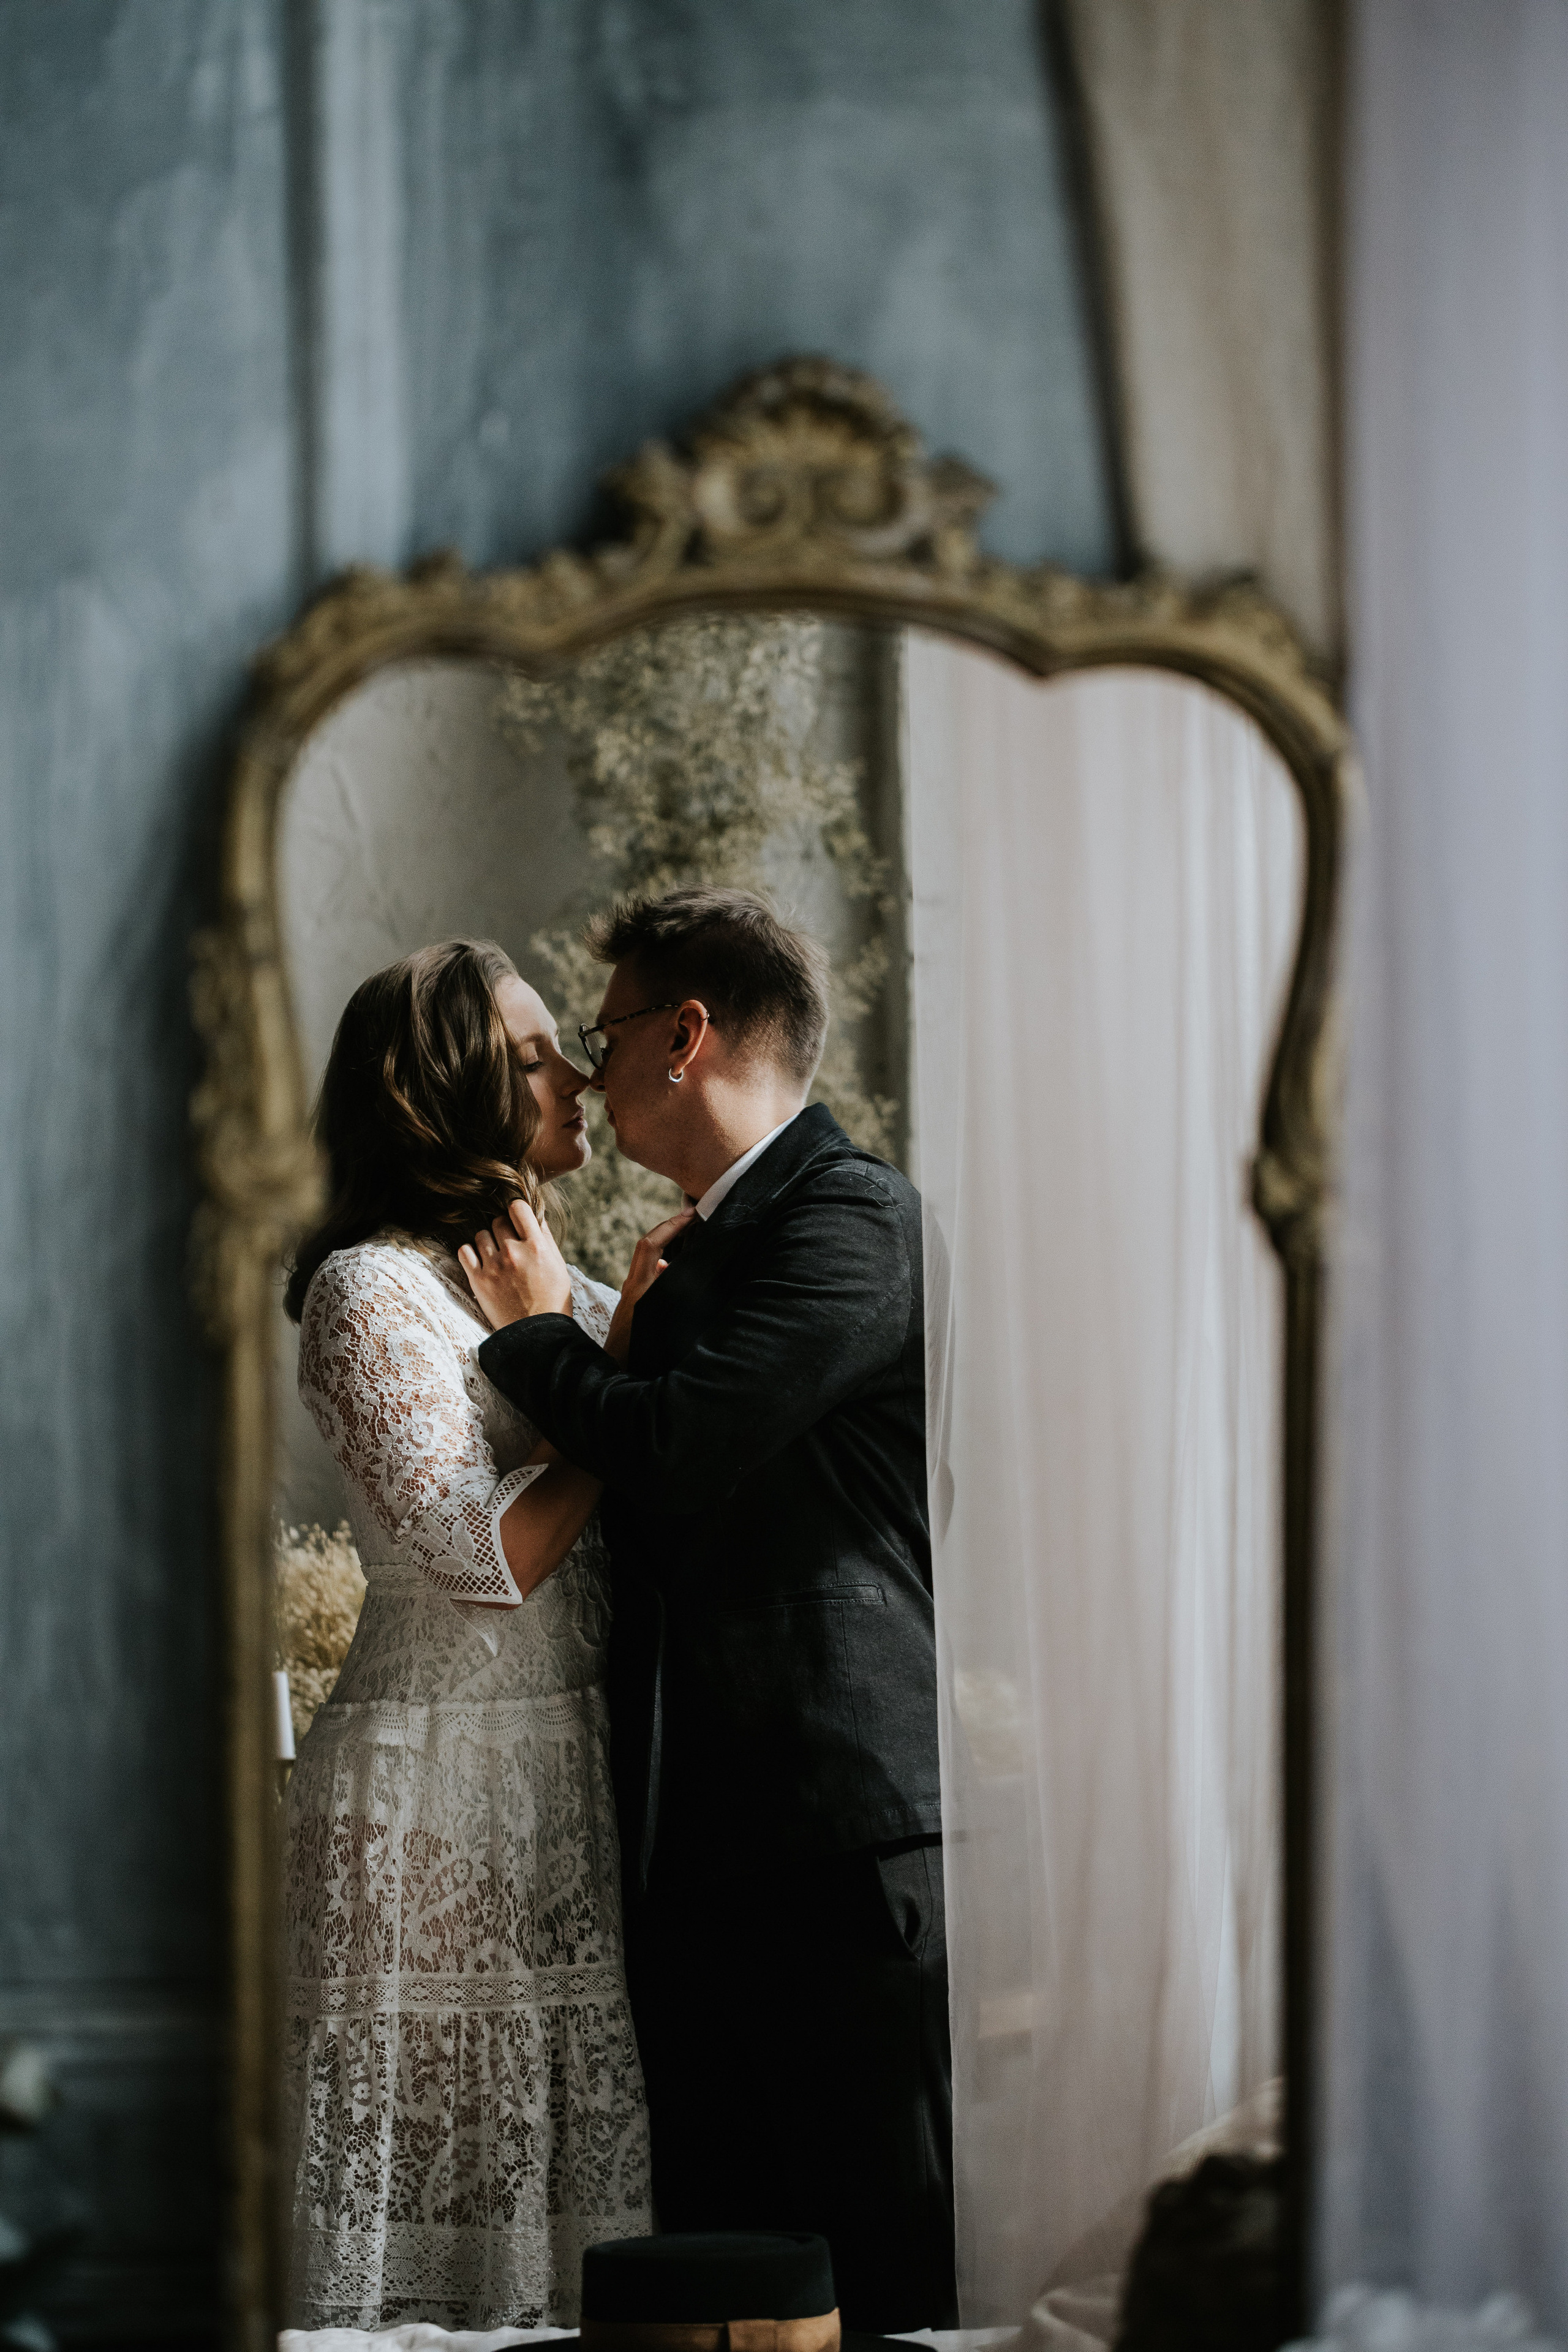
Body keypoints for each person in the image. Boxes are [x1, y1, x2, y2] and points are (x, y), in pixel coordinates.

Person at [460, 888, 957, 2332]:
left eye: (604, 1032)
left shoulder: (855, 1218)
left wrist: (534, 1334)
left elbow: (672, 1445)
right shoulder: (690, 1252)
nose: (588, 1067)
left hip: (838, 1835)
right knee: (719, 2296)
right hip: (690, 1841)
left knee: (878, 2272)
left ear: (684, 1036)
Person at [279, 940, 657, 2334]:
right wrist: (605, 1382)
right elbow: (482, 1562)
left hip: (565, 1776)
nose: (576, 1078)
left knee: (564, 2223)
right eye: (535, 1055)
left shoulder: (538, 1271)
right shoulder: (367, 1292)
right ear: (443, 1089)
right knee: (432, 2245)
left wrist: (605, 1341)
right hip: (430, 1798)